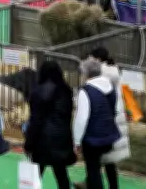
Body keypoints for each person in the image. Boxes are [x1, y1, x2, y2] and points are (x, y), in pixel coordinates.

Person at [79, 48, 129, 189]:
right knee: (108, 159)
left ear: (98, 60)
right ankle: (106, 185)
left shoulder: (100, 76)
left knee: (99, 160)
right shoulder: (114, 72)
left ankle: (94, 183)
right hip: (113, 119)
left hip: (105, 120)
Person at [23, 60, 76, 189]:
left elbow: (35, 120)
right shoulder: (66, 91)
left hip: (41, 139)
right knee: (61, 174)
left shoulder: (37, 92)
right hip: (61, 137)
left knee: (34, 176)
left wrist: (29, 143)